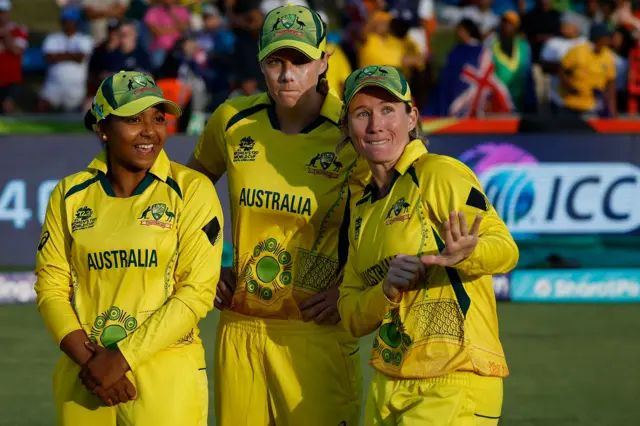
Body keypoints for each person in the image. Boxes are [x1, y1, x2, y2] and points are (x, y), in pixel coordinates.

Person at [188, 5, 366, 425]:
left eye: (302, 60)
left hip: (316, 332)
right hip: (240, 327)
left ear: (325, 61)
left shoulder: (353, 131)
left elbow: (382, 223)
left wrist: (352, 288)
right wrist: (207, 262)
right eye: (276, 61)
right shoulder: (232, 121)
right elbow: (188, 192)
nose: (288, 74)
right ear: (261, 62)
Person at [35, 71, 224, 426]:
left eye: (157, 118)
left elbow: (197, 292)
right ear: (102, 128)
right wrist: (91, 362)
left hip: (166, 372)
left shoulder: (192, 190)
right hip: (85, 375)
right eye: (133, 119)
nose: (150, 131)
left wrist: (119, 359)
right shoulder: (69, 194)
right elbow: (51, 286)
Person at [337, 65, 519, 425]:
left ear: (411, 118)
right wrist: (385, 289)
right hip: (388, 384)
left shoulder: (439, 173)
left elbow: (506, 248)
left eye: (388, 110)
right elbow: (350, 314)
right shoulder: (361, 206)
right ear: (347, 127)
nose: (375, 125)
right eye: (362, 113)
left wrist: (466, 255)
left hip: (455, 380)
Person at [39, 8, 94, 112]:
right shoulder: (52, 38)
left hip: (76, 86)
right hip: (53, 84)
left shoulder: (85, 39)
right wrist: (71, 55)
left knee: (78, 112)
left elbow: (80, 57)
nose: (68, 23)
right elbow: (49, 58)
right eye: (66, 20)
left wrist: (59, 55)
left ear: (76, 23)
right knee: (43, 105)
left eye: (71, 21)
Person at [559, 24, 616, 116]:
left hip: (594, 107)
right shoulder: (577, 51)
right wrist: (569, 86)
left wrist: (612, 109)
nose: (609, 41)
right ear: (598, 38)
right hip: (572, 104)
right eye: (606, 38)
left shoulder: (608, 56)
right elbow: (562, 71)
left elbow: (610, 83)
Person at [0, 0, 28, 114]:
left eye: (3, 12)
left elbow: (16, 50)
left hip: (11, 81)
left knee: (8, 107)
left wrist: (5, 33)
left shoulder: (18, 30)